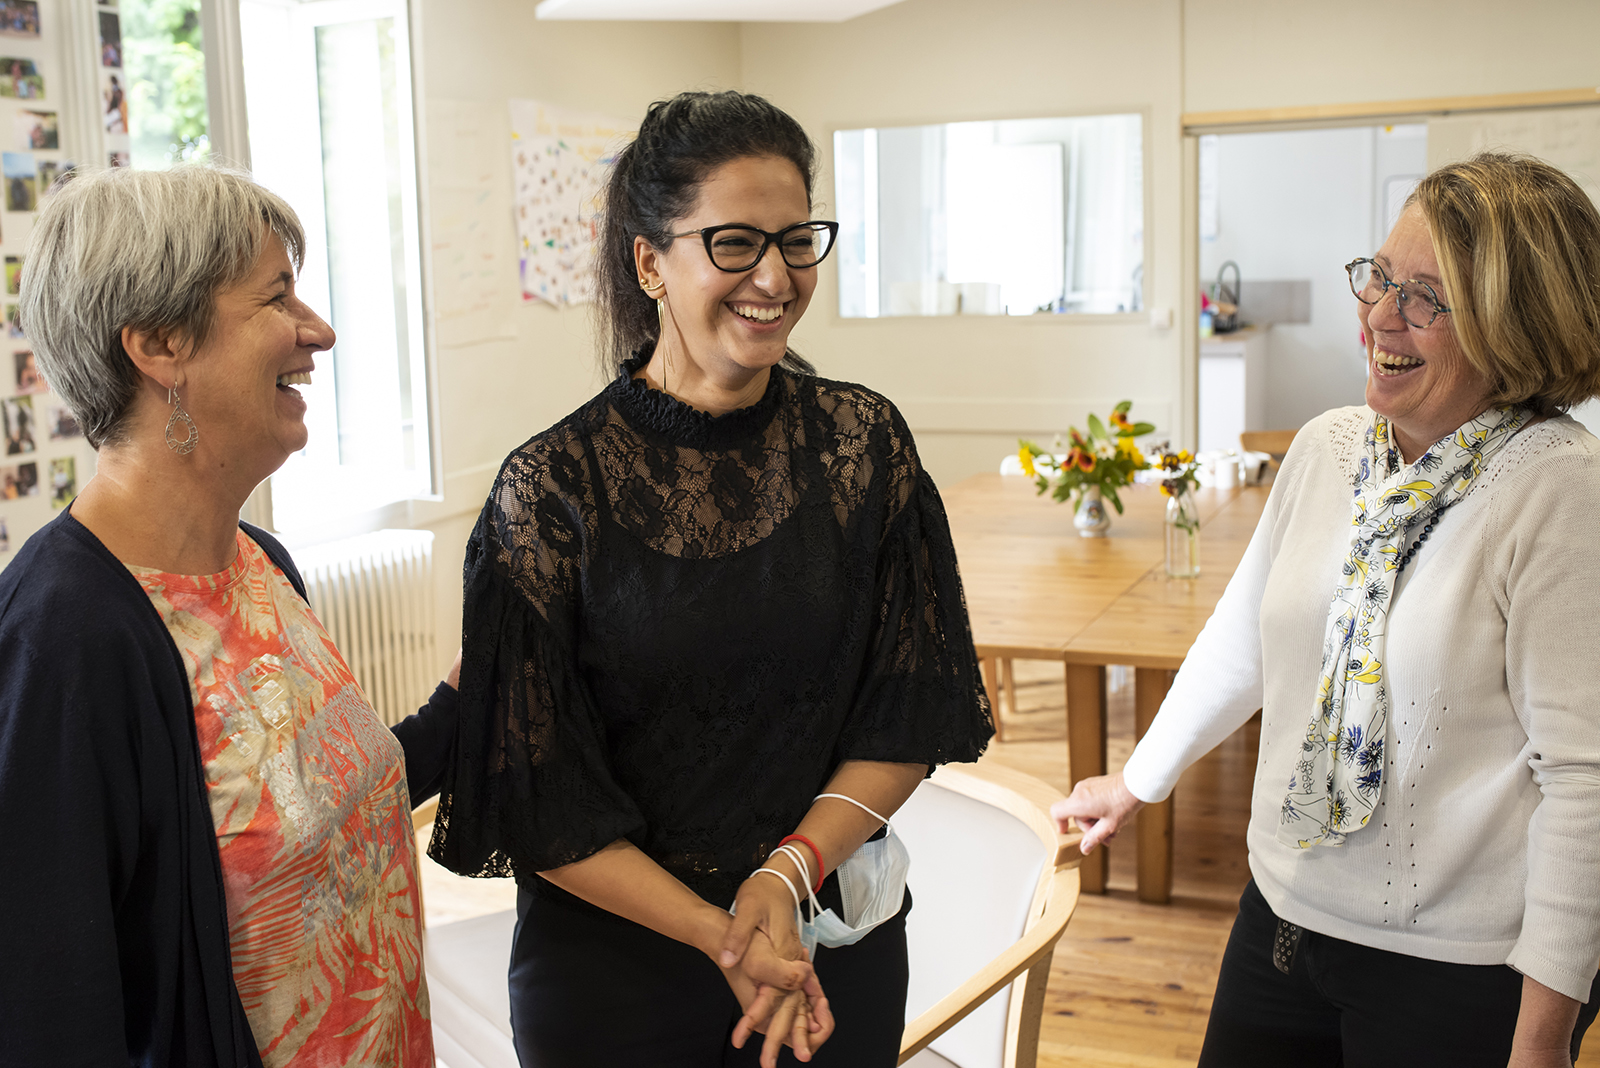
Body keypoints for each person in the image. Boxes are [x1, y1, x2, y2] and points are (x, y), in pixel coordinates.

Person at [429, 90, 993, 1068]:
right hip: (615, 984)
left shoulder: (863, 447)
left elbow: (909, 715)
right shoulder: (550, 490)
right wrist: (718, 930)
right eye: (733, 243)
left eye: (796, 240)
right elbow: (537, 795)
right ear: (649, 262)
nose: (774, 276)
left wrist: (784, 876)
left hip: (822, 948)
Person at [1055, 152, 1600, 1068]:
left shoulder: (1557, 493)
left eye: (1428, 297)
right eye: (1381, 276)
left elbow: (1587, 784)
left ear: (1516, 329)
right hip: (1282, 919)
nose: (1381, 315)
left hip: (1460, 971)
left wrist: (1542, 1043)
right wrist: (1139, 777)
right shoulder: (1327, 448)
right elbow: (1246, 637)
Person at [0, 165, 459, 1068]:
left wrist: (464, 696)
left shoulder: (260, 563)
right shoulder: (62, 641)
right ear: (160, 344)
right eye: (278, 296)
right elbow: (49, 1010)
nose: (318, 331)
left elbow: (313, 821)